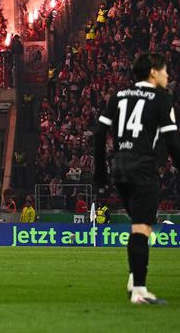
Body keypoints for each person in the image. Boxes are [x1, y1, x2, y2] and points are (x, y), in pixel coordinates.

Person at [93, 52, 180, 305]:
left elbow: (99, 133)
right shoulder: (162, 99)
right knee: (141, 229)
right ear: (153, 72)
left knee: (142, 224)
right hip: (143, 169)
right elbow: (173, 142)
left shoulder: (118, 96)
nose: (167, 75)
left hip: (120, 169)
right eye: (164, 70)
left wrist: (100, 171)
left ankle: (134, 277)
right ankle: (140, 291)